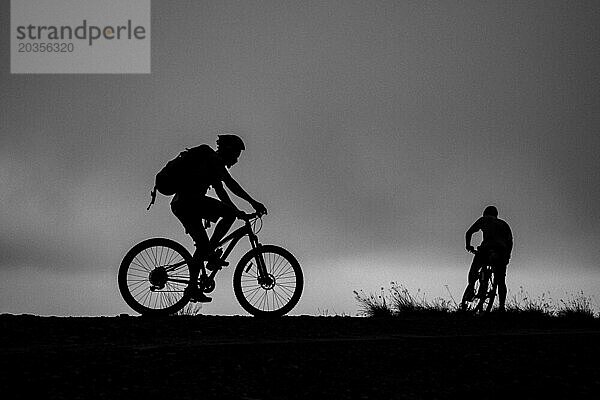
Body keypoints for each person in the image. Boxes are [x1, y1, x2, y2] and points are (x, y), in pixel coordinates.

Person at [171, 134, 267, 302]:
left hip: (185, 204)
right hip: (189, 203)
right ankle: (209, 251)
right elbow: (228, 187)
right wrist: (247, 206)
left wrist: (243, 207)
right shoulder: (214, 160)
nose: (236, 160)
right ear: (228, 150)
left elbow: (224, 188)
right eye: (236, 154)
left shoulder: (211, 162)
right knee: (227, 216)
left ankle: (201, 267)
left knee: (202, 246)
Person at [464, 205, 513, 311]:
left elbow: (469, 233)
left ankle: (471, 289)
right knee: (501, 281)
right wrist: (507, 256)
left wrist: (468, 246)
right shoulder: (504, 224)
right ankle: (501, 307)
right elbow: (510, 241)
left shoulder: (484, 219)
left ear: (485, 213)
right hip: (501, 253)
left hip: (486, 250)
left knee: (474, 269)